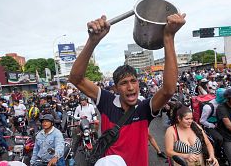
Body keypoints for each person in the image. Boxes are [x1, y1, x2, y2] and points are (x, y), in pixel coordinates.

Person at [69, 13, 186, 166]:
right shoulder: (106, 101)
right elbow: (76, 79)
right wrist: (92, 41)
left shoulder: (144, 108)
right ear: (116, 88)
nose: (130, 87)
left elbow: (169, 90)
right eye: (124, 83)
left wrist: (169, 37)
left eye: (133, 81)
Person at [199, 88, 225, 158]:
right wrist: (212, 125)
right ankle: (216, 154)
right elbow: (202, 121)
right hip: (210, 125)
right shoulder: (208, 107)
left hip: (220, 123)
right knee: (219, 139)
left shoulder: (223, 104)